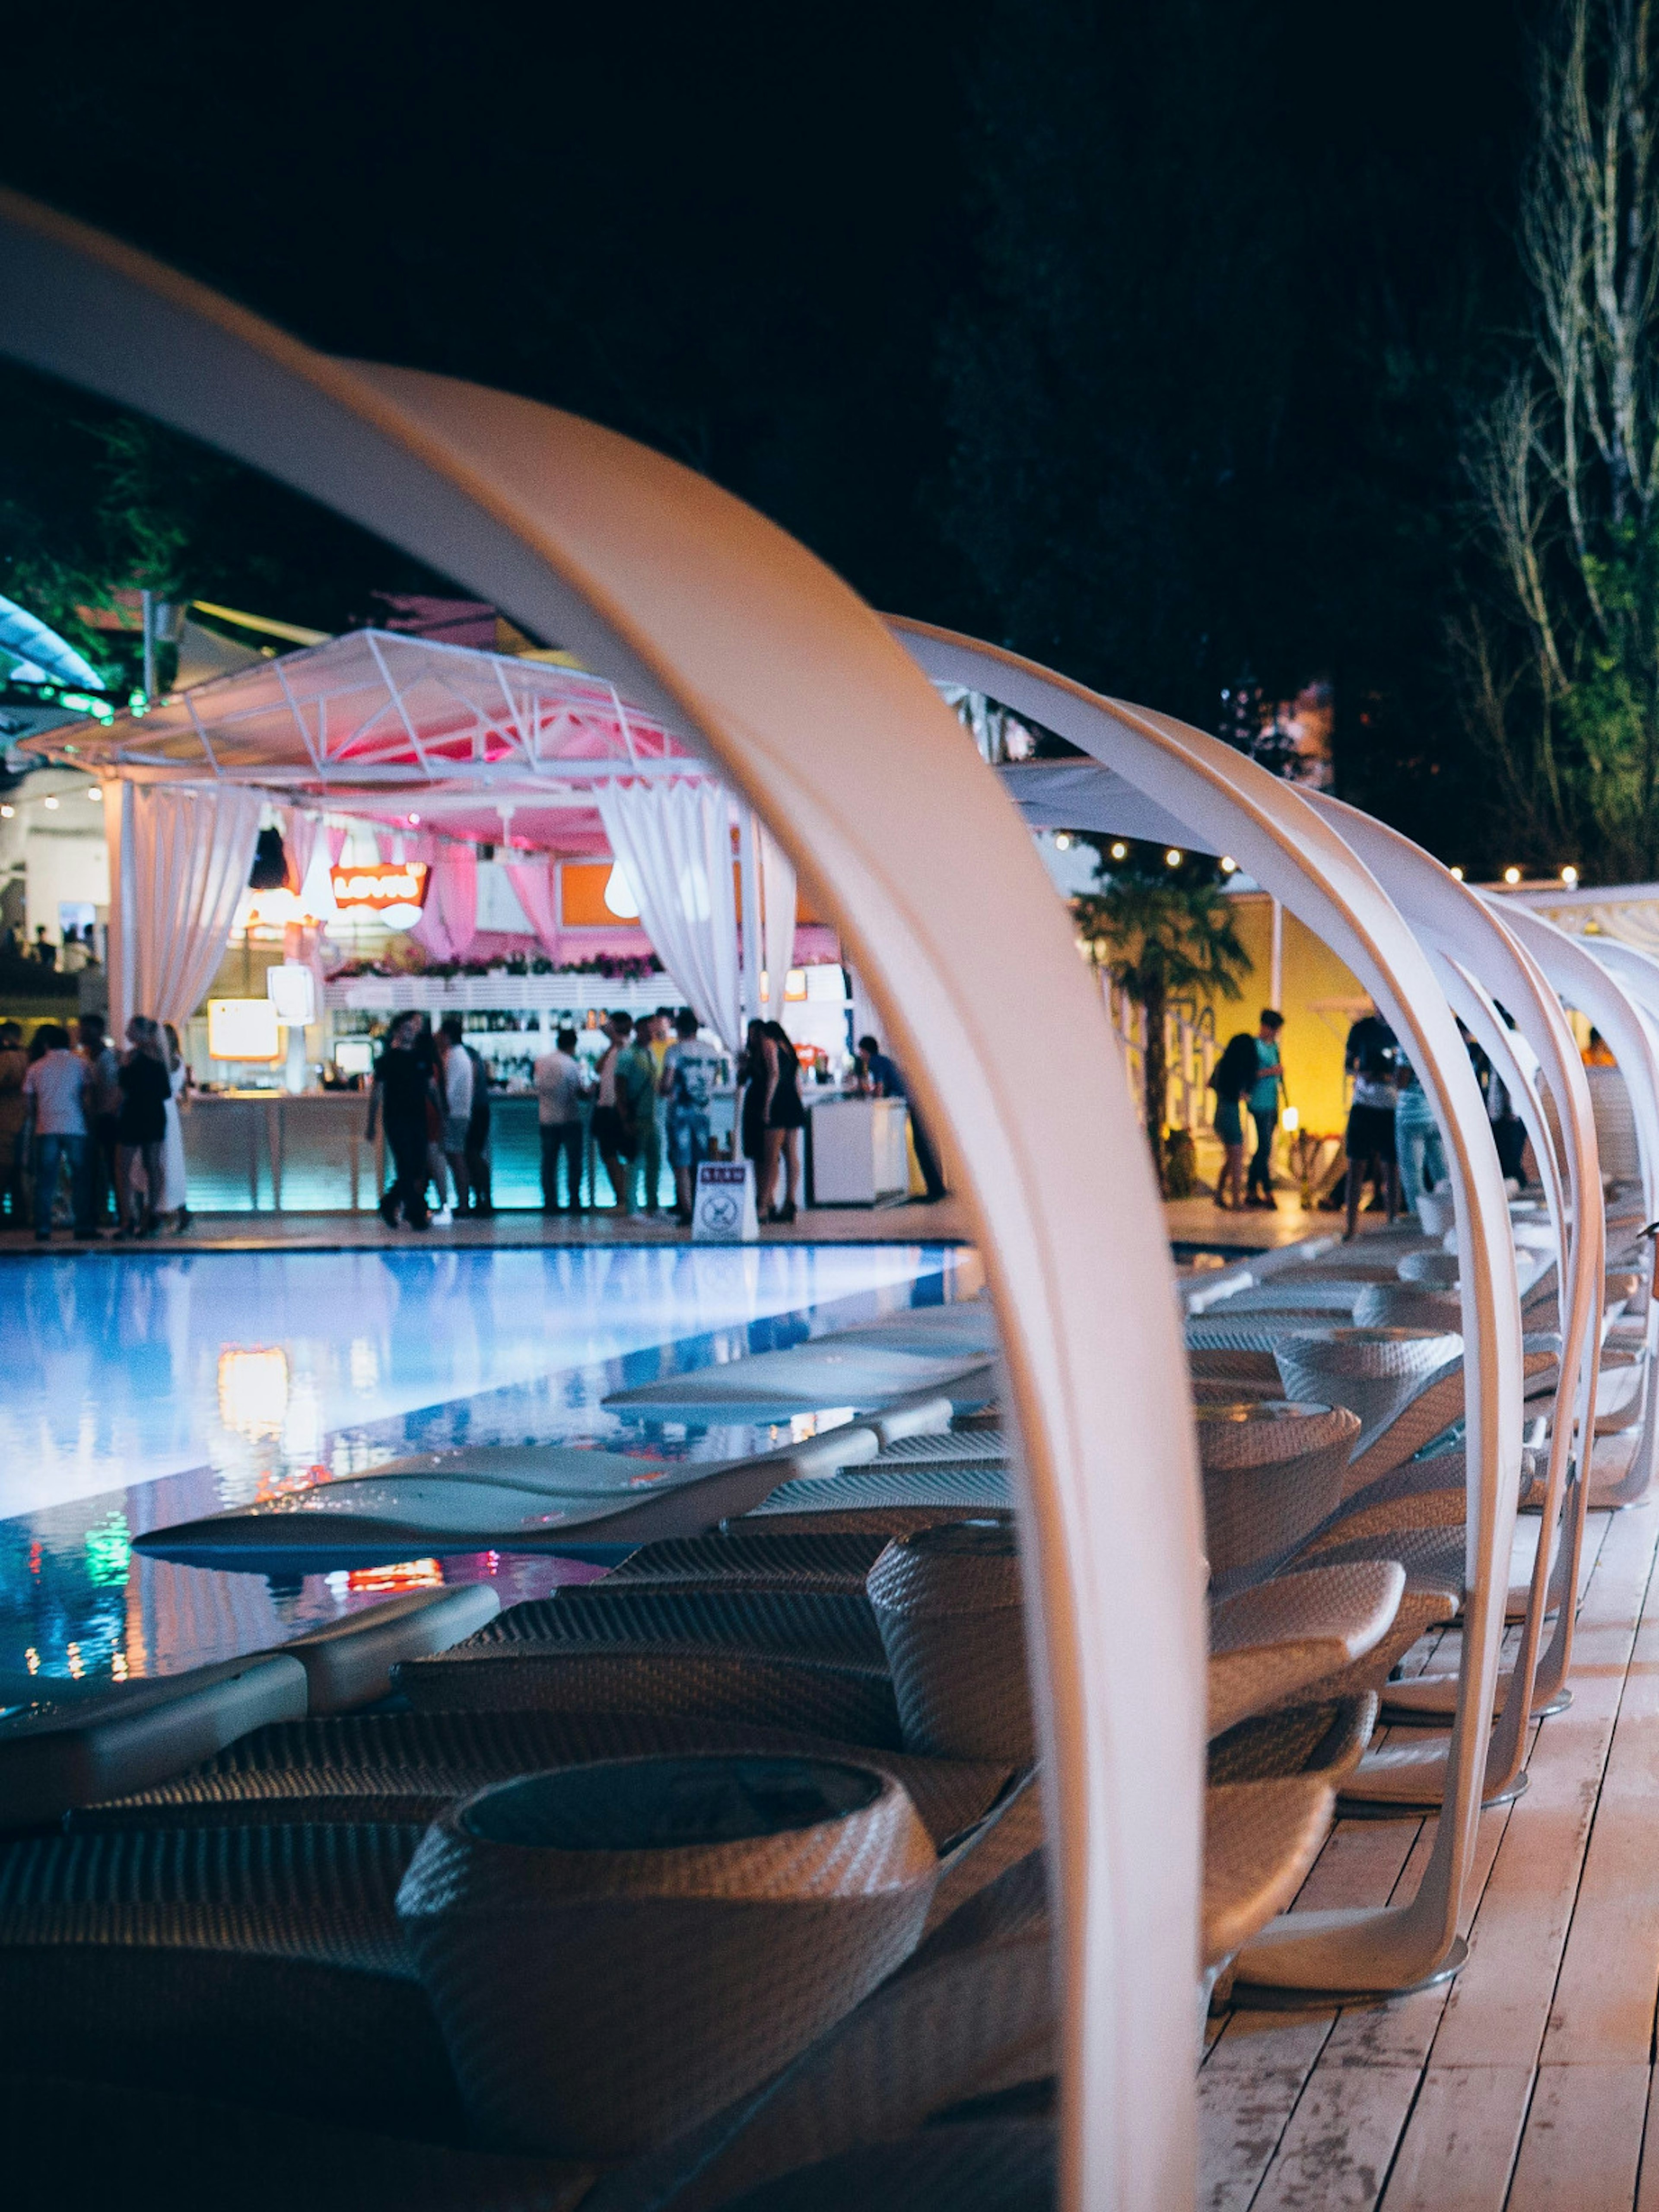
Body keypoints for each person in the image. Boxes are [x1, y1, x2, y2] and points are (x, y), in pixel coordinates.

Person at [855, 1032, 946, 1202]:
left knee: (921, 1145)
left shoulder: (875, 1062)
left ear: (865, 1051)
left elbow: (880, 1088)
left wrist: (867, 1091)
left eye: (861, 1052)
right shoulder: (884, 1060)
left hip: (911, 1102)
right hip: (915, 1100)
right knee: (924, 1145)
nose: (861, 1055)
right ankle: (936, 1188)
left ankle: (935, 1190)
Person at [21, 1022, 92, 1241]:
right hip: (75, 1126)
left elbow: (28, 1099)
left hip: (46, 1127)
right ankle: (83, 1227)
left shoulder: (36, 1067)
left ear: (46, 1043)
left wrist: (35, 1119)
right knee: (80, 1178)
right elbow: (87, 1096)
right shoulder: (80, 1064)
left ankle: (43, 1227)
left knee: (46, 1179)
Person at [367, 1011, 437, 1229]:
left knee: (416, 1166)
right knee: (406, 1165)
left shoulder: (422, 1058)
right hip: (396, 1119)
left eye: (412, 1028)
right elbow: (377, 1093)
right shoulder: (387, 1061)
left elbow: (432, 1089)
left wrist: (442, 1112)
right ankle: (415, 1214)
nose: (410, 1032)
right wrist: (371, 1123)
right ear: (398, 1031)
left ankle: (390, 1203)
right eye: (406, 1028)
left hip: (418, 1118)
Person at [659, 1008, 721, 1224]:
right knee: (701, 1161)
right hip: (704, 1113)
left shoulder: (675, 1052)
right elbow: (714, 1080)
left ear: (678, 1028)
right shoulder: (712, 1051)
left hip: (680, 1114)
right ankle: (703, 1207)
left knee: (682, 1162)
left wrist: (662, 1089)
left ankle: (687, 1211)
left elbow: (667, 1084)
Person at [1343, 1008, 1400, 1240]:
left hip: (1390, 1107)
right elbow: (1347, 1065)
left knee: (1391, 1169)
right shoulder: (1361, 1029)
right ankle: (1351, 1228)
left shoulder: (1401, 1029)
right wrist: (1363, 1073)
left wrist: (1388, 1077)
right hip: (1364, 1104)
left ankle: (1393, 1223)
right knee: (1356, 1167)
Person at [115, 1016, 171, 1236]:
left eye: (131, 1028)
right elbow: (165, 1092)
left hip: (133, 1114)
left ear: (141, 1032)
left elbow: (125, 1085)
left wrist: (125, 1066)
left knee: (124, 1167)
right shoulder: (160, 1057)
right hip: (154, 1114)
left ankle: (128, 1219)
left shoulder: (133, 1057)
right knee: (152, 1165)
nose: (128, 1031)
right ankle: (151, 1215)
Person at [534, 1024, 588, 1213]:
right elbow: (579, 1092)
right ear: (573, 1045)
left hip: (547, 1118)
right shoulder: (571, 1064)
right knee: (574, 1163)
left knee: (549, 1163)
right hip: (569, 1119)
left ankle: (550, 1203)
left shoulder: (542, 1062)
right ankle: (574, 1202)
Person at [591, 1012, 640, 1213]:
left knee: (622, 1153)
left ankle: (625, 1200)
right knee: (608, 1154)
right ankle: (621, 1198)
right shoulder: (614, 1048)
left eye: (611, 1023)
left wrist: (612, 1038)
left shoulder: (628, 1046)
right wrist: (610, 1042)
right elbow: (598, 1068)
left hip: (618, 1106)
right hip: (605, 1106)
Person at [760, 1019, 806, 1224]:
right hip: (793, 1101)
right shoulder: (789, 1048)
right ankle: (790, 1201)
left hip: (779, 1100)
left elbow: (774, 1074)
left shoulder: (770, 1045)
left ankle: (764, 1204)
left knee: (771, 1156)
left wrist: (767, 1105)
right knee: (791, 1155)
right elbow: (797, 1081)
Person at [78, 1013, 121, 1227]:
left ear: (99, 1032)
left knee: (112, 1169)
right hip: (94, 1120)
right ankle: (100, 1213)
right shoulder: (89, 1056)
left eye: (86, 1029)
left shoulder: (106, 1057)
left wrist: (102, 1114)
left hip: (106, 1120)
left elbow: (113, 1090)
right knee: (96, 1170)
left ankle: (120, 1214)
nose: (81, 1033)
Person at [1208, 1030, 1258, 1211]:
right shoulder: (1235, 1068)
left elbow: (1210, 1083)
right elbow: (1233, 1092)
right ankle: (1236, 1201)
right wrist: (1241, 1094)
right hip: (1230, 1112)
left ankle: (1219, 1194)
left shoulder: (1222, 1063)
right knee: (1237, 1157)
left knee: (1231, 1158)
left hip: (1220, 1112)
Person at [1393, 1052, 1448, 1216]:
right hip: (1437, 1116)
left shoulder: (1408, 1045)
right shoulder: (1441, 1043)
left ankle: (1419, 1220)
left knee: (1413, 1174)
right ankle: (1446, 1218)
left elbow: (1401, 1082)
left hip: (1412, 1116)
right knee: (1442, 1173)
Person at [1246, 1009, 1286, 1208]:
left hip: (1272, 1101)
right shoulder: (1255, 1047)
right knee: (1265, 1148)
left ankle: (1252, 1189)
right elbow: (1250, 1074)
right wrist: (1272, 1072)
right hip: (1259, 1101)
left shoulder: (1274, 1047)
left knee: (1264, 1147)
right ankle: (1267, 1190)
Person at [435, 1018, 475, 1216]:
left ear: (447, 1036)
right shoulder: (462, 1055)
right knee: (456, 1156)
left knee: (455, 1157)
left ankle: (463, 1203)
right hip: (461, 1112)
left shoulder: (454, 1057)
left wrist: (441, 1112)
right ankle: (463, 1202)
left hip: (454, 1114)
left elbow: (447, 1090)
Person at [157, 1021, 191, 1232]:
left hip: (162, 1111)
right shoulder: (178, 1059)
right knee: (168, 1162)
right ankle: (172, 1211)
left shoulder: (168, 1060)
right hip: (168, 1112)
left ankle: (170, 1212)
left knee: (165, 1161)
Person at [738, 1018, 773, 1201]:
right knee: (755, 1152)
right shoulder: (750, 1055)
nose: (753, 1038)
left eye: (756, 1034)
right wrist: (743, 1066)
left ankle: (765, 1197)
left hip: (760, 1100)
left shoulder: (767, 1053)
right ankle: (762, 1195)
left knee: (765, 1153)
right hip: (753, 1102)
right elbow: (742, 1080)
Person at [462, 1029, 493, 1215]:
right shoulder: (470, 1053)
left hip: (474, 1111)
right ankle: (482, 1198)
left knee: (472, 1155)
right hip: (478, 1110)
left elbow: (472, 1082)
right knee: (472, 1156)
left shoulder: (465, 1054)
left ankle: (483, 1199)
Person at [0, 1019, 26, 1223]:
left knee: (5, 1165)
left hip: (7, 1118)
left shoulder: (7, 1058)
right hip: (26, 1118)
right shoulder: (29, 1057)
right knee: (22, 1168)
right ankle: (22, 1212)